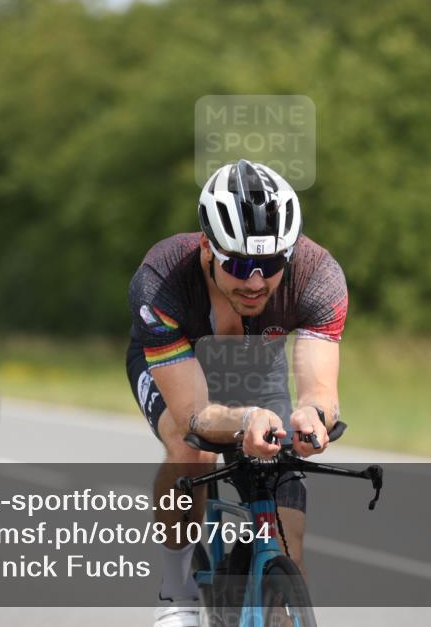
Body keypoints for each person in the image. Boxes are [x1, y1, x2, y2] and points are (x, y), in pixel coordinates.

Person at [126, 160, 348, 627]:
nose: (255, 281)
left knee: (289, 535)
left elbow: (319, 390)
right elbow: (194, 414)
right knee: (192, 450)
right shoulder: (161, 279)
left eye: (270, 265)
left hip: (254, 363)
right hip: (180, 360)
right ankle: (177, 591)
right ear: (207, 245)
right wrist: (243, 421)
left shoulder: (317, 276)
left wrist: (312, 416)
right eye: (240, 264)